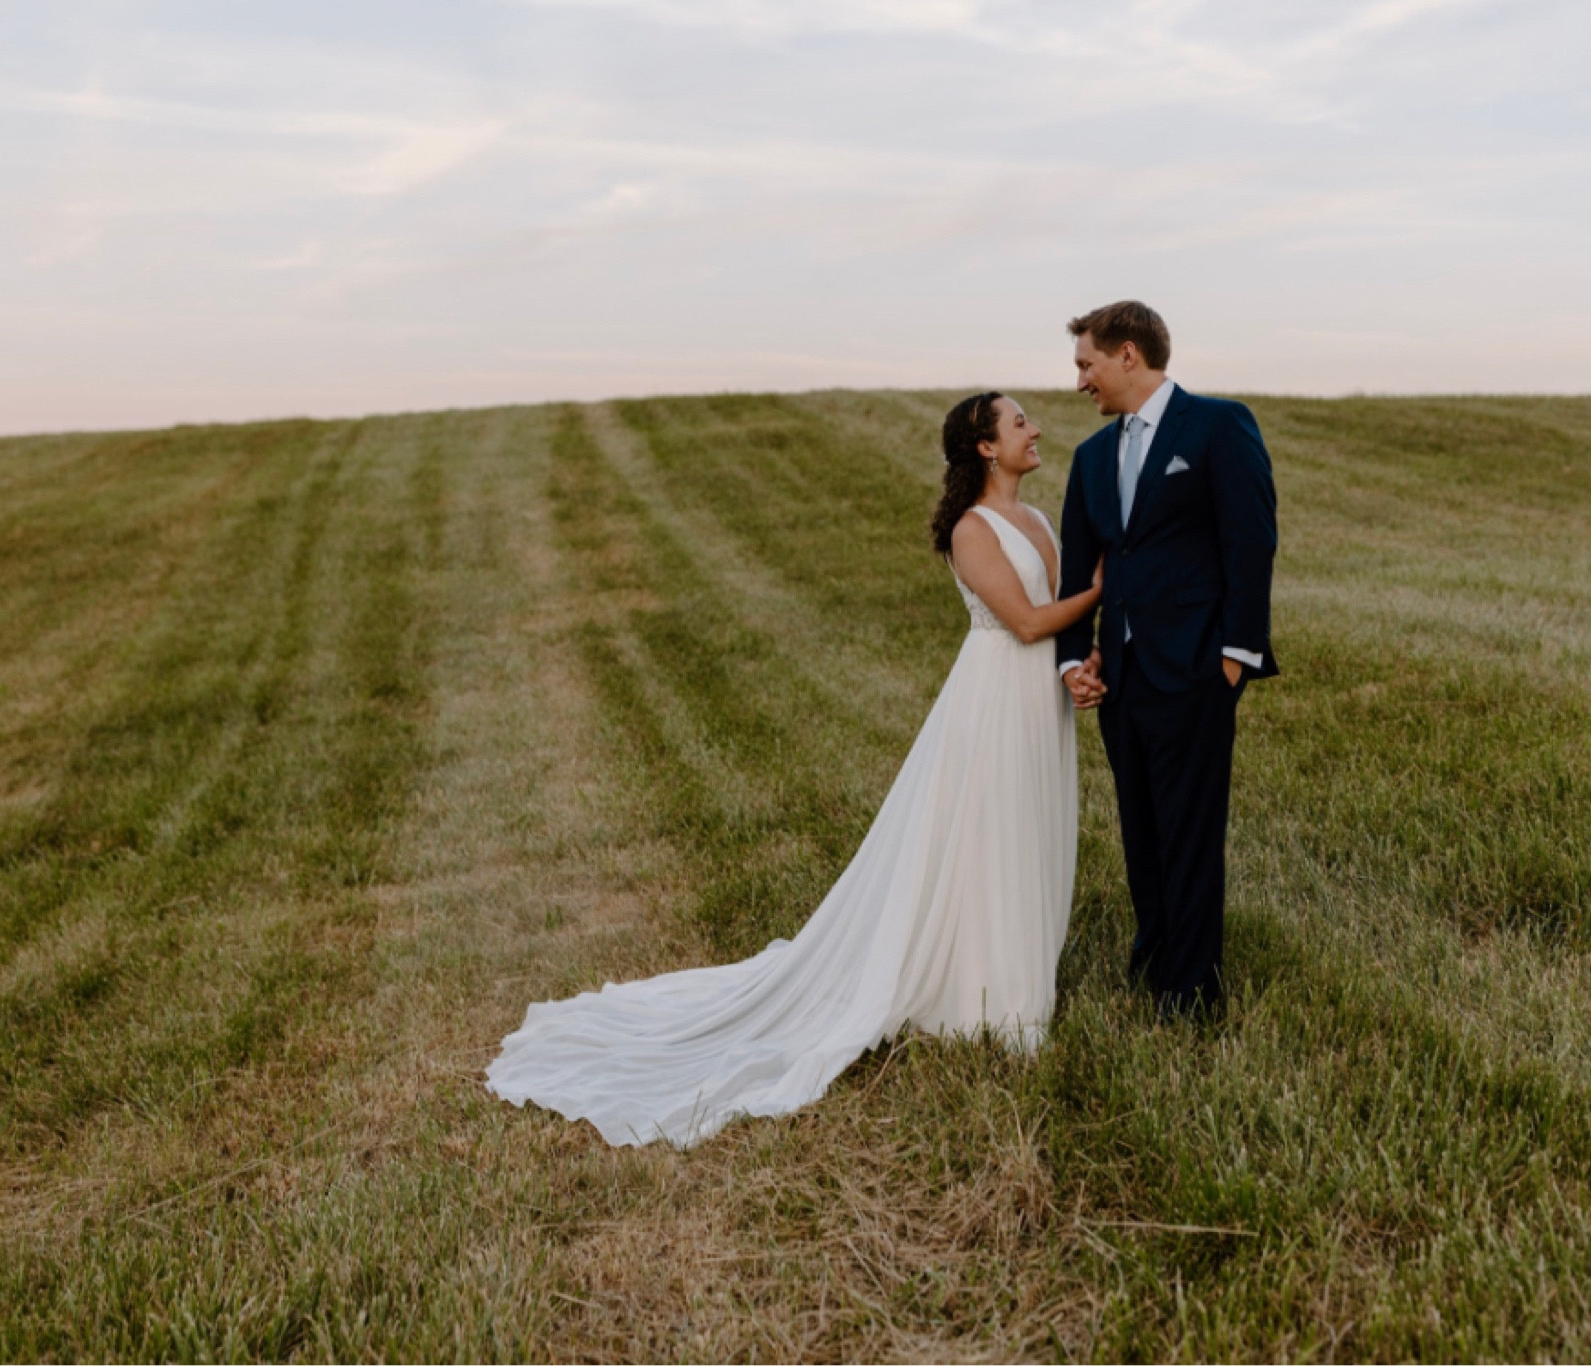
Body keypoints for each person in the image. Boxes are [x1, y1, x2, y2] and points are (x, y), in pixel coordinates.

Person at [487, 392, 1101, 1147]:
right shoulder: (973, 531)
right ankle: (982, 996)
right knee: (986, 834)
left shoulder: (1039, 520)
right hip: (993, 699)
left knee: (1028, 830)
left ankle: (1016, 973)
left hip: (1040, 702)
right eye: (1018, 423)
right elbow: (1033, 620)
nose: (1035, 430)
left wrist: (1087, 661)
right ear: (983, 447)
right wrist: (1108, 588)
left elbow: (1062, 621)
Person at [1055, 301, 1279, 1019]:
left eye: (1086, 364)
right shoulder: (1090, 458)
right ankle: (1153, 956)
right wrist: (1071, 663)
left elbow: (1251, 539)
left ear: (1128, 354)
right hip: (1120, 679)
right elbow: (1076, 569)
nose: (1080, 381)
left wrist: (1235, 656)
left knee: (1190, 828)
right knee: (1140, 824)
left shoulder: (1217, 425)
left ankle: (1191, 991)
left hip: (1196, 669)